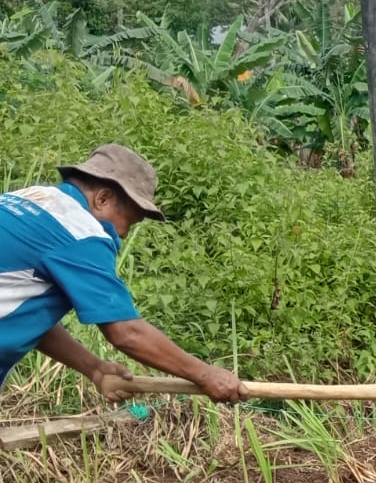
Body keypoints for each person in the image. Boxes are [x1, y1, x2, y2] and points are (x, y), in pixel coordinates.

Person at [0, 144, 243, 401]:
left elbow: (27, 316)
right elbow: (127, 332)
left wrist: (94, 368)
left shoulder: (28, 199)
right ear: (102, 199)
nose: (123, 234)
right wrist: (206, 375)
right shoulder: (78, 231)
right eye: (128, 221)